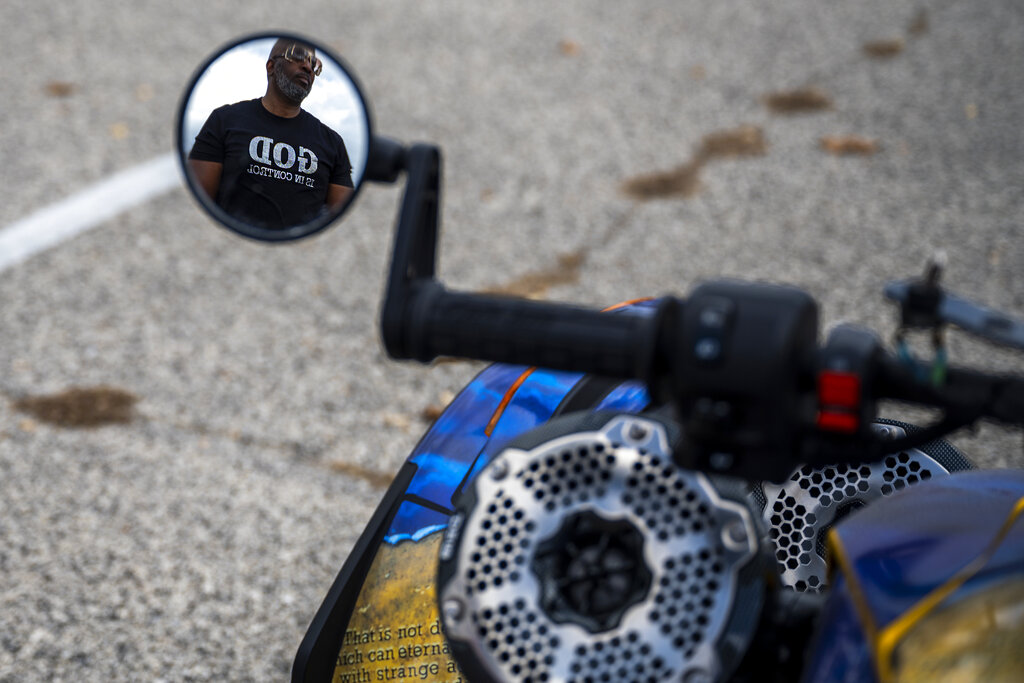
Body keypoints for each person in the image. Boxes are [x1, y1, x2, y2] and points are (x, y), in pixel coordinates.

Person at [188, 39, 354, 229]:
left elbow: (343, 222)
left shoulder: (332, 142)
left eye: (314, 63)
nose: (308, 66)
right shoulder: (225, 120)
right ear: (271, 66)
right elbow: (197, 205)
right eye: (298, 55)